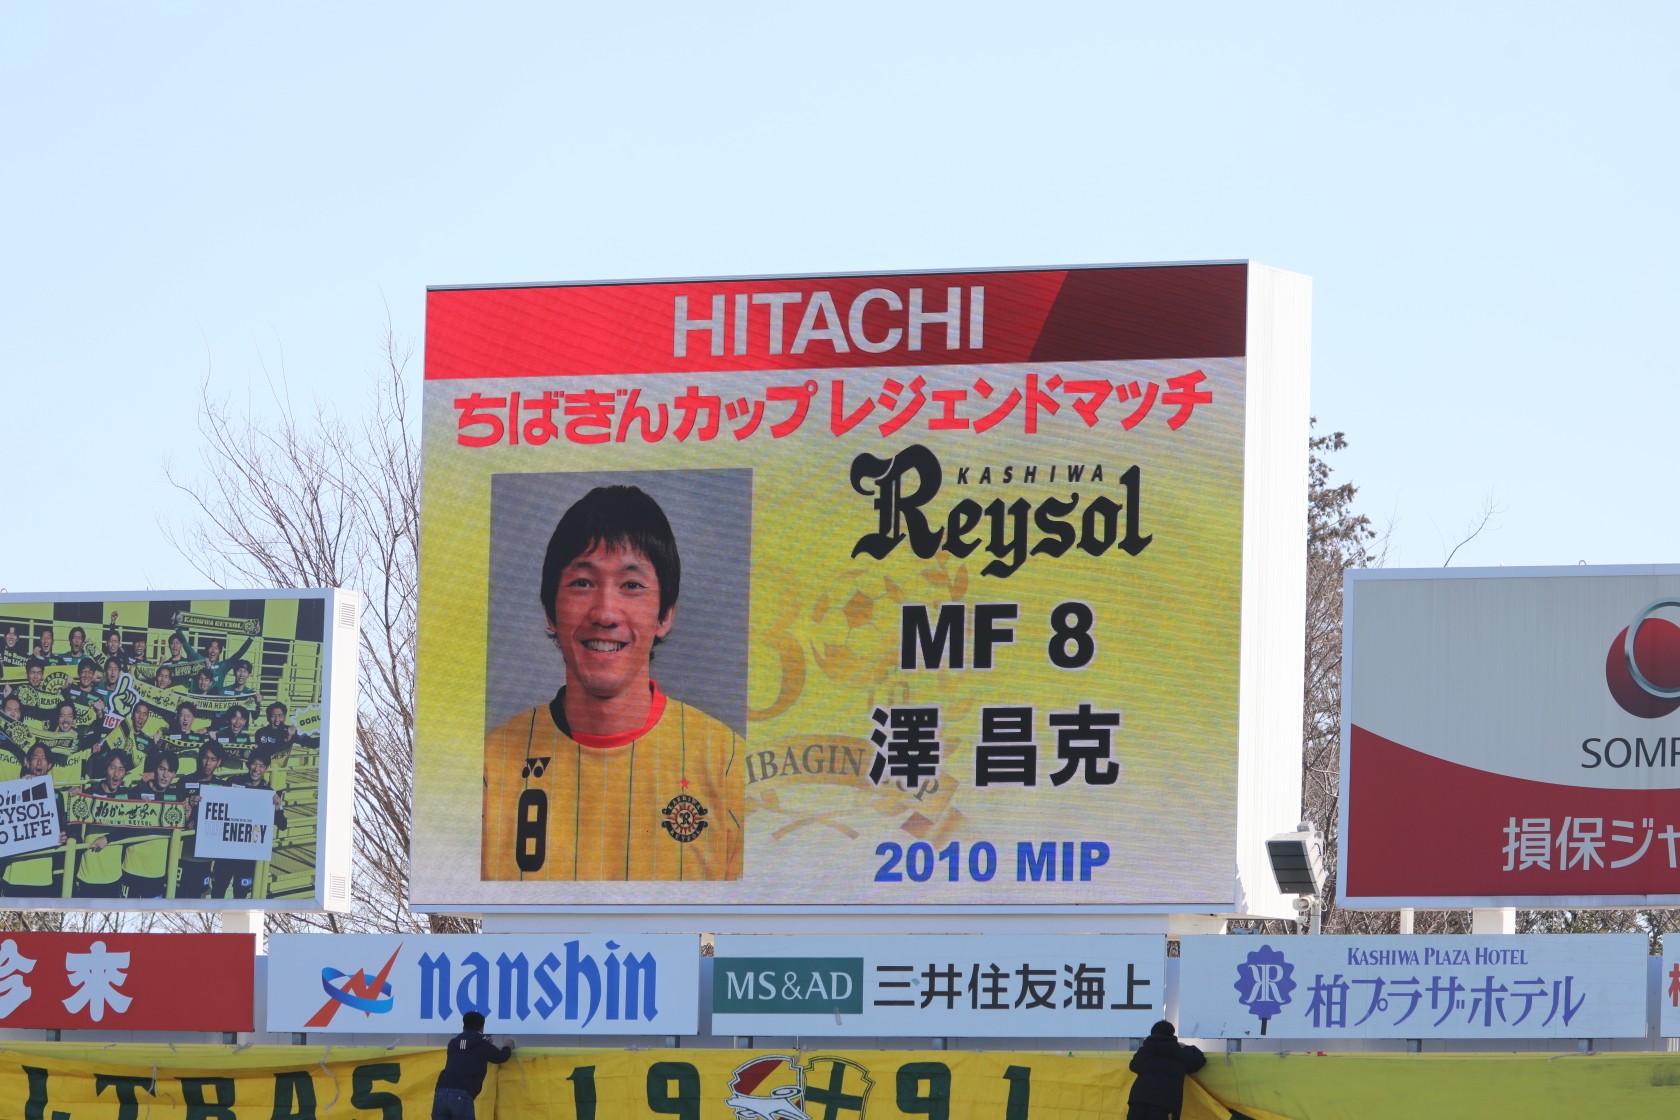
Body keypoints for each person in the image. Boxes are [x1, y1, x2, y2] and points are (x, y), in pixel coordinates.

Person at [482, 484, 742, 882]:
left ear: (664, 615)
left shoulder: (730, 767)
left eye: (632, 585)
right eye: (583, 583)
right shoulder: (486, 768)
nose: (605, 613)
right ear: (551, 611)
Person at [432, 1010, 514, 1120]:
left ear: (463, 1025)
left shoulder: (453, 1043)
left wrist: (484, 1043)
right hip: (461, 1095)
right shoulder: (482, 1045)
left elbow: (466, 1048)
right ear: (482, 1028)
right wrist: (508, 1046)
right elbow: (501, 1057)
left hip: (440, 1093)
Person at [1127, 1019, 1206, 1120]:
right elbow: (1199, 1060)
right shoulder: (1179, 1053)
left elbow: (1133, 1065)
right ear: (1172, 1034)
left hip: (1138, 1100)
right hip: (1162, 1104)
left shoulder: (1145, 1051)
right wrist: (1185, 1047)